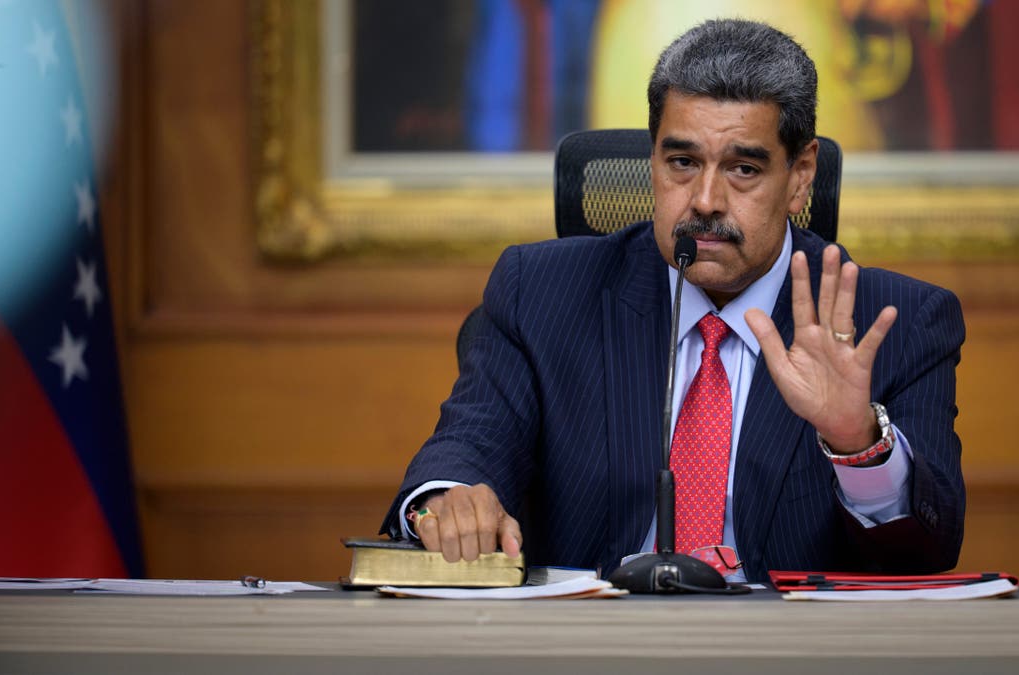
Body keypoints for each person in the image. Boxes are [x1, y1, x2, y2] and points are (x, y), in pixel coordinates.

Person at [380, 18, 965, 582]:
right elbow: (465, 447)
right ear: (653, 160)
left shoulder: (896, 324)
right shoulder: (541, 295)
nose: (705, 200)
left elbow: (925, 553)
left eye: (743, 168)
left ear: (801, 175)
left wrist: (857, 445)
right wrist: (447, 502)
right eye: (682, 162)